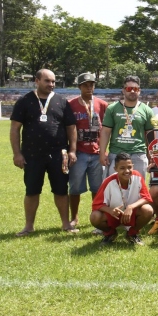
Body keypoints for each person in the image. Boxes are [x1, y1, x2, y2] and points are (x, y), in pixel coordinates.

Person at [10, 68, 78, 236]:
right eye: (47, 81)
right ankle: (28, 226)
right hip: (32, 155)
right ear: (37, 81)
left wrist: (72, 150)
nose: (51, 84)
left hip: (58, 155)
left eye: (53, 81)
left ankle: (65, 224)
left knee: (61, 190)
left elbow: (71, 128)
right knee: (32, 190)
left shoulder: (62, 102)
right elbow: (14, 129)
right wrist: (17, 154)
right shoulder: (24, 101)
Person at [67, 72, 108, 232]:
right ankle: (74, 218)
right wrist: (70, 150)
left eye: (91, 84)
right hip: (79, 153)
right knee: (75, 187)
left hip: (97, 152)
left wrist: (103, 150)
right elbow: (68, 128)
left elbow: (106, 129)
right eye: (85, 85)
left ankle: (95, 215)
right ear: (79, 87)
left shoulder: (102, 105)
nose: (89, 87)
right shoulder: (71, 105)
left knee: (97, 188)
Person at [90, 152, 154, 245]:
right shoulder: (108, 181)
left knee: (148, 210)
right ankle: (110, 234)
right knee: (95, 217)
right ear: (115, 169)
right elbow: (96, 204)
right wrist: (110, 210)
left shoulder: (137, 177)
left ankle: (132, 234)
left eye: (129, 167)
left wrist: (131, 207)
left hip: (131, 214)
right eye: (122, 168)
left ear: (133, 166)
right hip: (114, 215)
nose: (127, 171)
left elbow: (147, 198)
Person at [99, 75, 154, 177]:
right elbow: (106, 131)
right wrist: (102, 152)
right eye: (129, 89)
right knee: (115, 187)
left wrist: (150, 154)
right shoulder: (112, 108)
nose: (132, 91)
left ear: (139, 91)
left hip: (138, 154)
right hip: (116, 154)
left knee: (137, 188)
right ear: (123, 91)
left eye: (135, 89)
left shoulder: (147, 110)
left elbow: (149, 135)